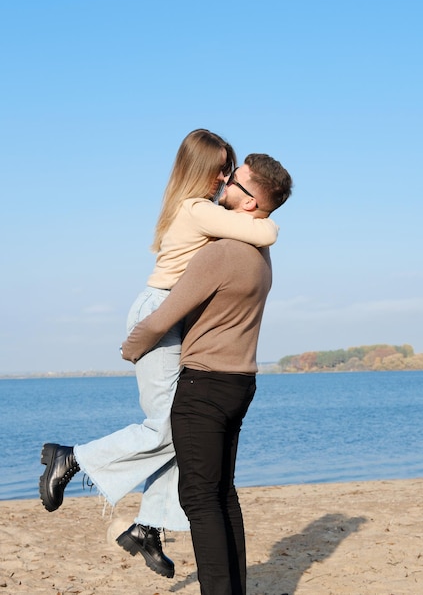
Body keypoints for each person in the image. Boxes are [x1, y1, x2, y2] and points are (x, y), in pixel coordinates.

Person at [39, 131, 279, 580]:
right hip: (161, 312)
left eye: (231, 170)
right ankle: (72, 458)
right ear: (200, 171)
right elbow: (263, 227)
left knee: (181, 427)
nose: (225, 177)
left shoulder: (201, 210)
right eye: (221, 169)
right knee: (173, 425)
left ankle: (149, 524)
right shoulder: (198, 210)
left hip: (176, 313)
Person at [121, 154, 293, 595]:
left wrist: (133, 347)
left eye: (235, 179)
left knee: (199, 498)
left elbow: (165, 316)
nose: (226, 183)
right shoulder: (260, 256)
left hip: (204, 384)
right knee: (222, 494)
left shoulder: (222, 252)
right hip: (240, 382)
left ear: (251, 202)